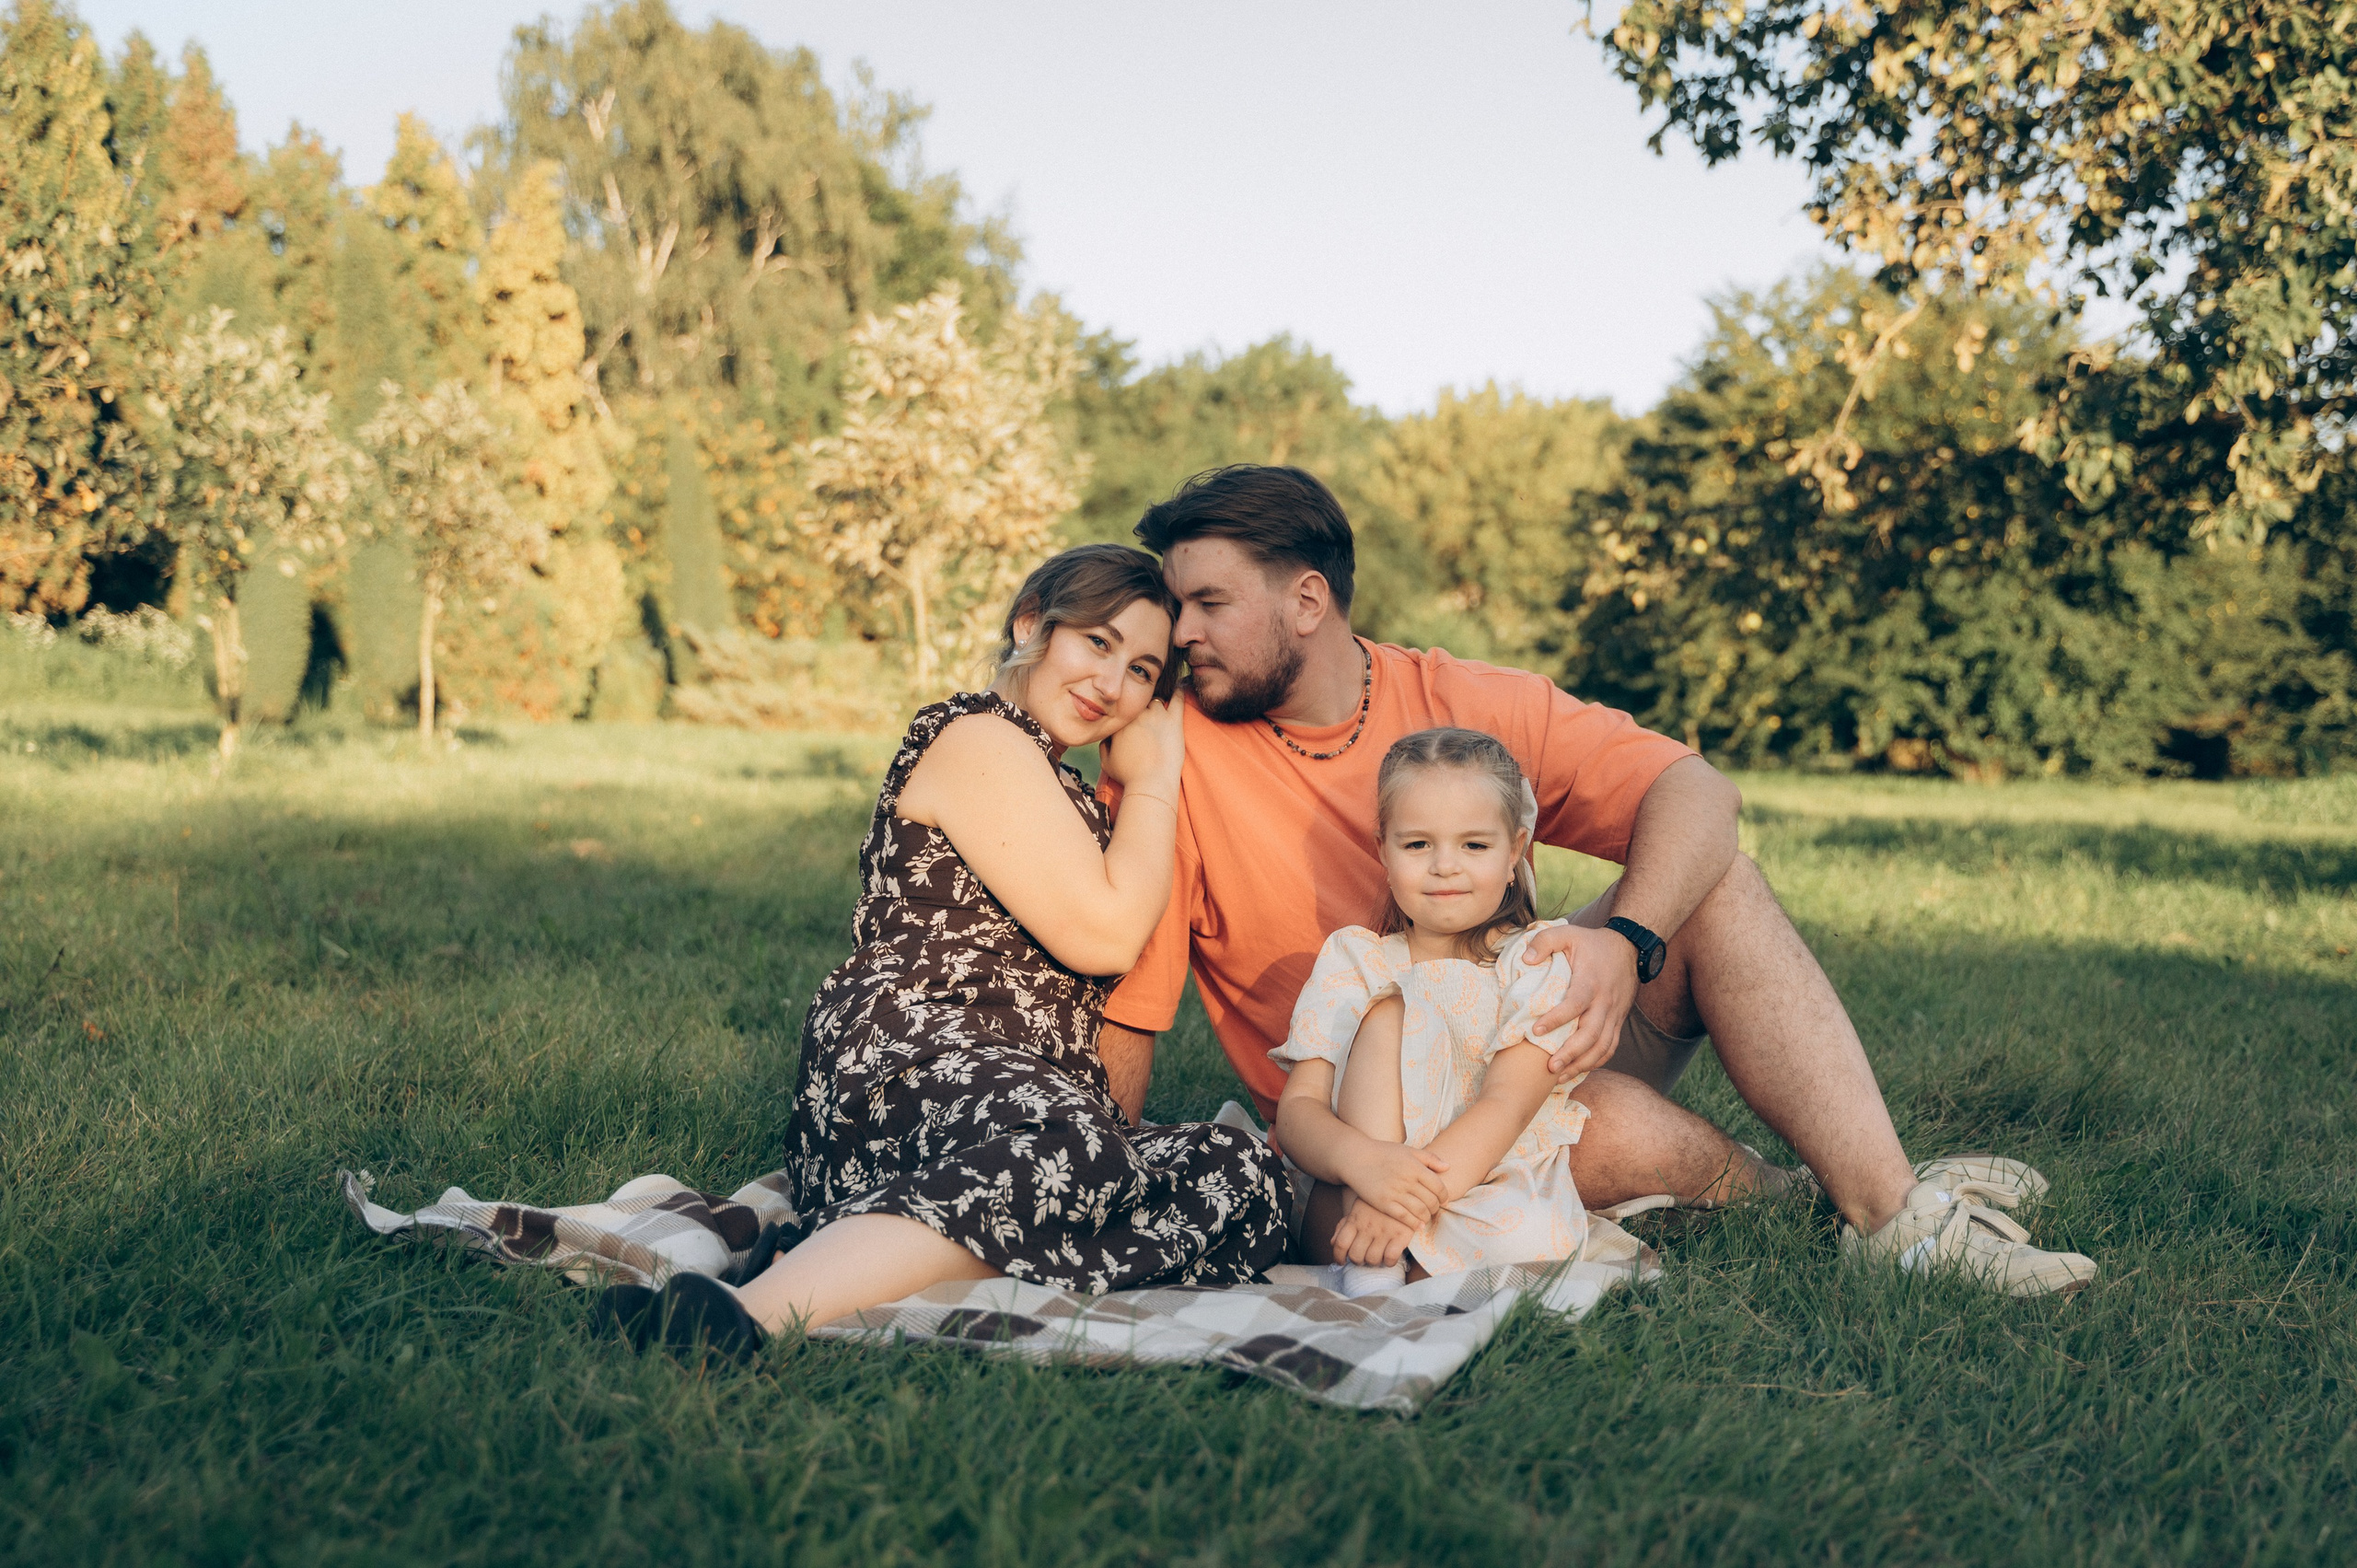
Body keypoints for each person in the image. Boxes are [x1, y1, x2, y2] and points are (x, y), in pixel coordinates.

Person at [1097, 465, 2096, 1298]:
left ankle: (1894, 1221)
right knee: (1612, 1126)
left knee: (1718, 883)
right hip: (1377, 1130)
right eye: (1176, 605)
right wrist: (1099, 1190)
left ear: (1305, 600)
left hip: (1529, 1038)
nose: (1178, 632)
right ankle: (1820, 1193)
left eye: (1207, 604)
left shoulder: (1459, 700)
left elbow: (1695, 788)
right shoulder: (1170, 758)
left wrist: (1629, 942)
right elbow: (1131, 1009)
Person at [601, 544, 1291, 1356]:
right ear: (1032, 621)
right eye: (1097, 643)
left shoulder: (1055, 778)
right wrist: (1153, 780)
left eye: (1142, 670)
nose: (1113, 684)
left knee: (1240, 1172)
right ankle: (741, 1317)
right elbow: (1107, 936)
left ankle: (866, 1254)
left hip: (1019, 1103)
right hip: (909, 1055)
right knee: (1075, 1150)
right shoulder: (976, 737)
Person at [1273, 727, 1789, 1296]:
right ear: (1383, 850)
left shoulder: (1536, 962)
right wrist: (1369, 1169)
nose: (1446, 866)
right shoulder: (1355, 959)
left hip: (1487, 1183)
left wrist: (1403, 1206)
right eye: (1418, 845)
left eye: (1474, 845)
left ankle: (1406, 1260)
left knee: (1484, 1241)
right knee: (1387, 1016)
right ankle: (1378, 1266)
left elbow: (1505, 1104)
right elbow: (1298, 1111)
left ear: (1515, 851)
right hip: (1353, 1197)